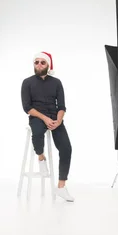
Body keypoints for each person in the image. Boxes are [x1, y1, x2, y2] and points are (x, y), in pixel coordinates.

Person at [21, 52, 74, 202]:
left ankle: (61, 187)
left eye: (42, 62)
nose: (38, 65)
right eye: (36, 62)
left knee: (66, 148)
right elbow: (27, 107)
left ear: (48, 65)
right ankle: (41, 158)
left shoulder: (56, 82)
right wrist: (44, 118)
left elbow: (62, 106)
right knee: (37, 134)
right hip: (37, 116)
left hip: (55, 118)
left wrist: (58, 120)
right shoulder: (27, 82)